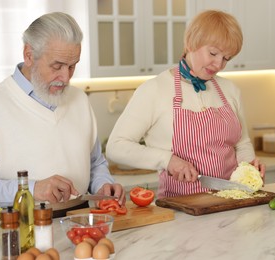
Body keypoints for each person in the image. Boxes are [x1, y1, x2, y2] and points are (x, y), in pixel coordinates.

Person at [0, 12, 125, 216]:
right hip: (21, 228)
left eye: (72, 66)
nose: (65, 77)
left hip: (79, 222)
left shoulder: (80, 100)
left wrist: (103, 185)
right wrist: (29, 189)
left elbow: (94, 163)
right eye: (57, 66)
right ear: (29, 55)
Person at [106, 10, 265, 198]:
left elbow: (242, 143)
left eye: (226, 58)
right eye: (213, 53)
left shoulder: (230, 90)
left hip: (230, 203)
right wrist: (167, 160)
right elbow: (115, 146)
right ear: (191, 43)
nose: (218, 64)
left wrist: (249, 167)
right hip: (180, 209)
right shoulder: (155, 89)